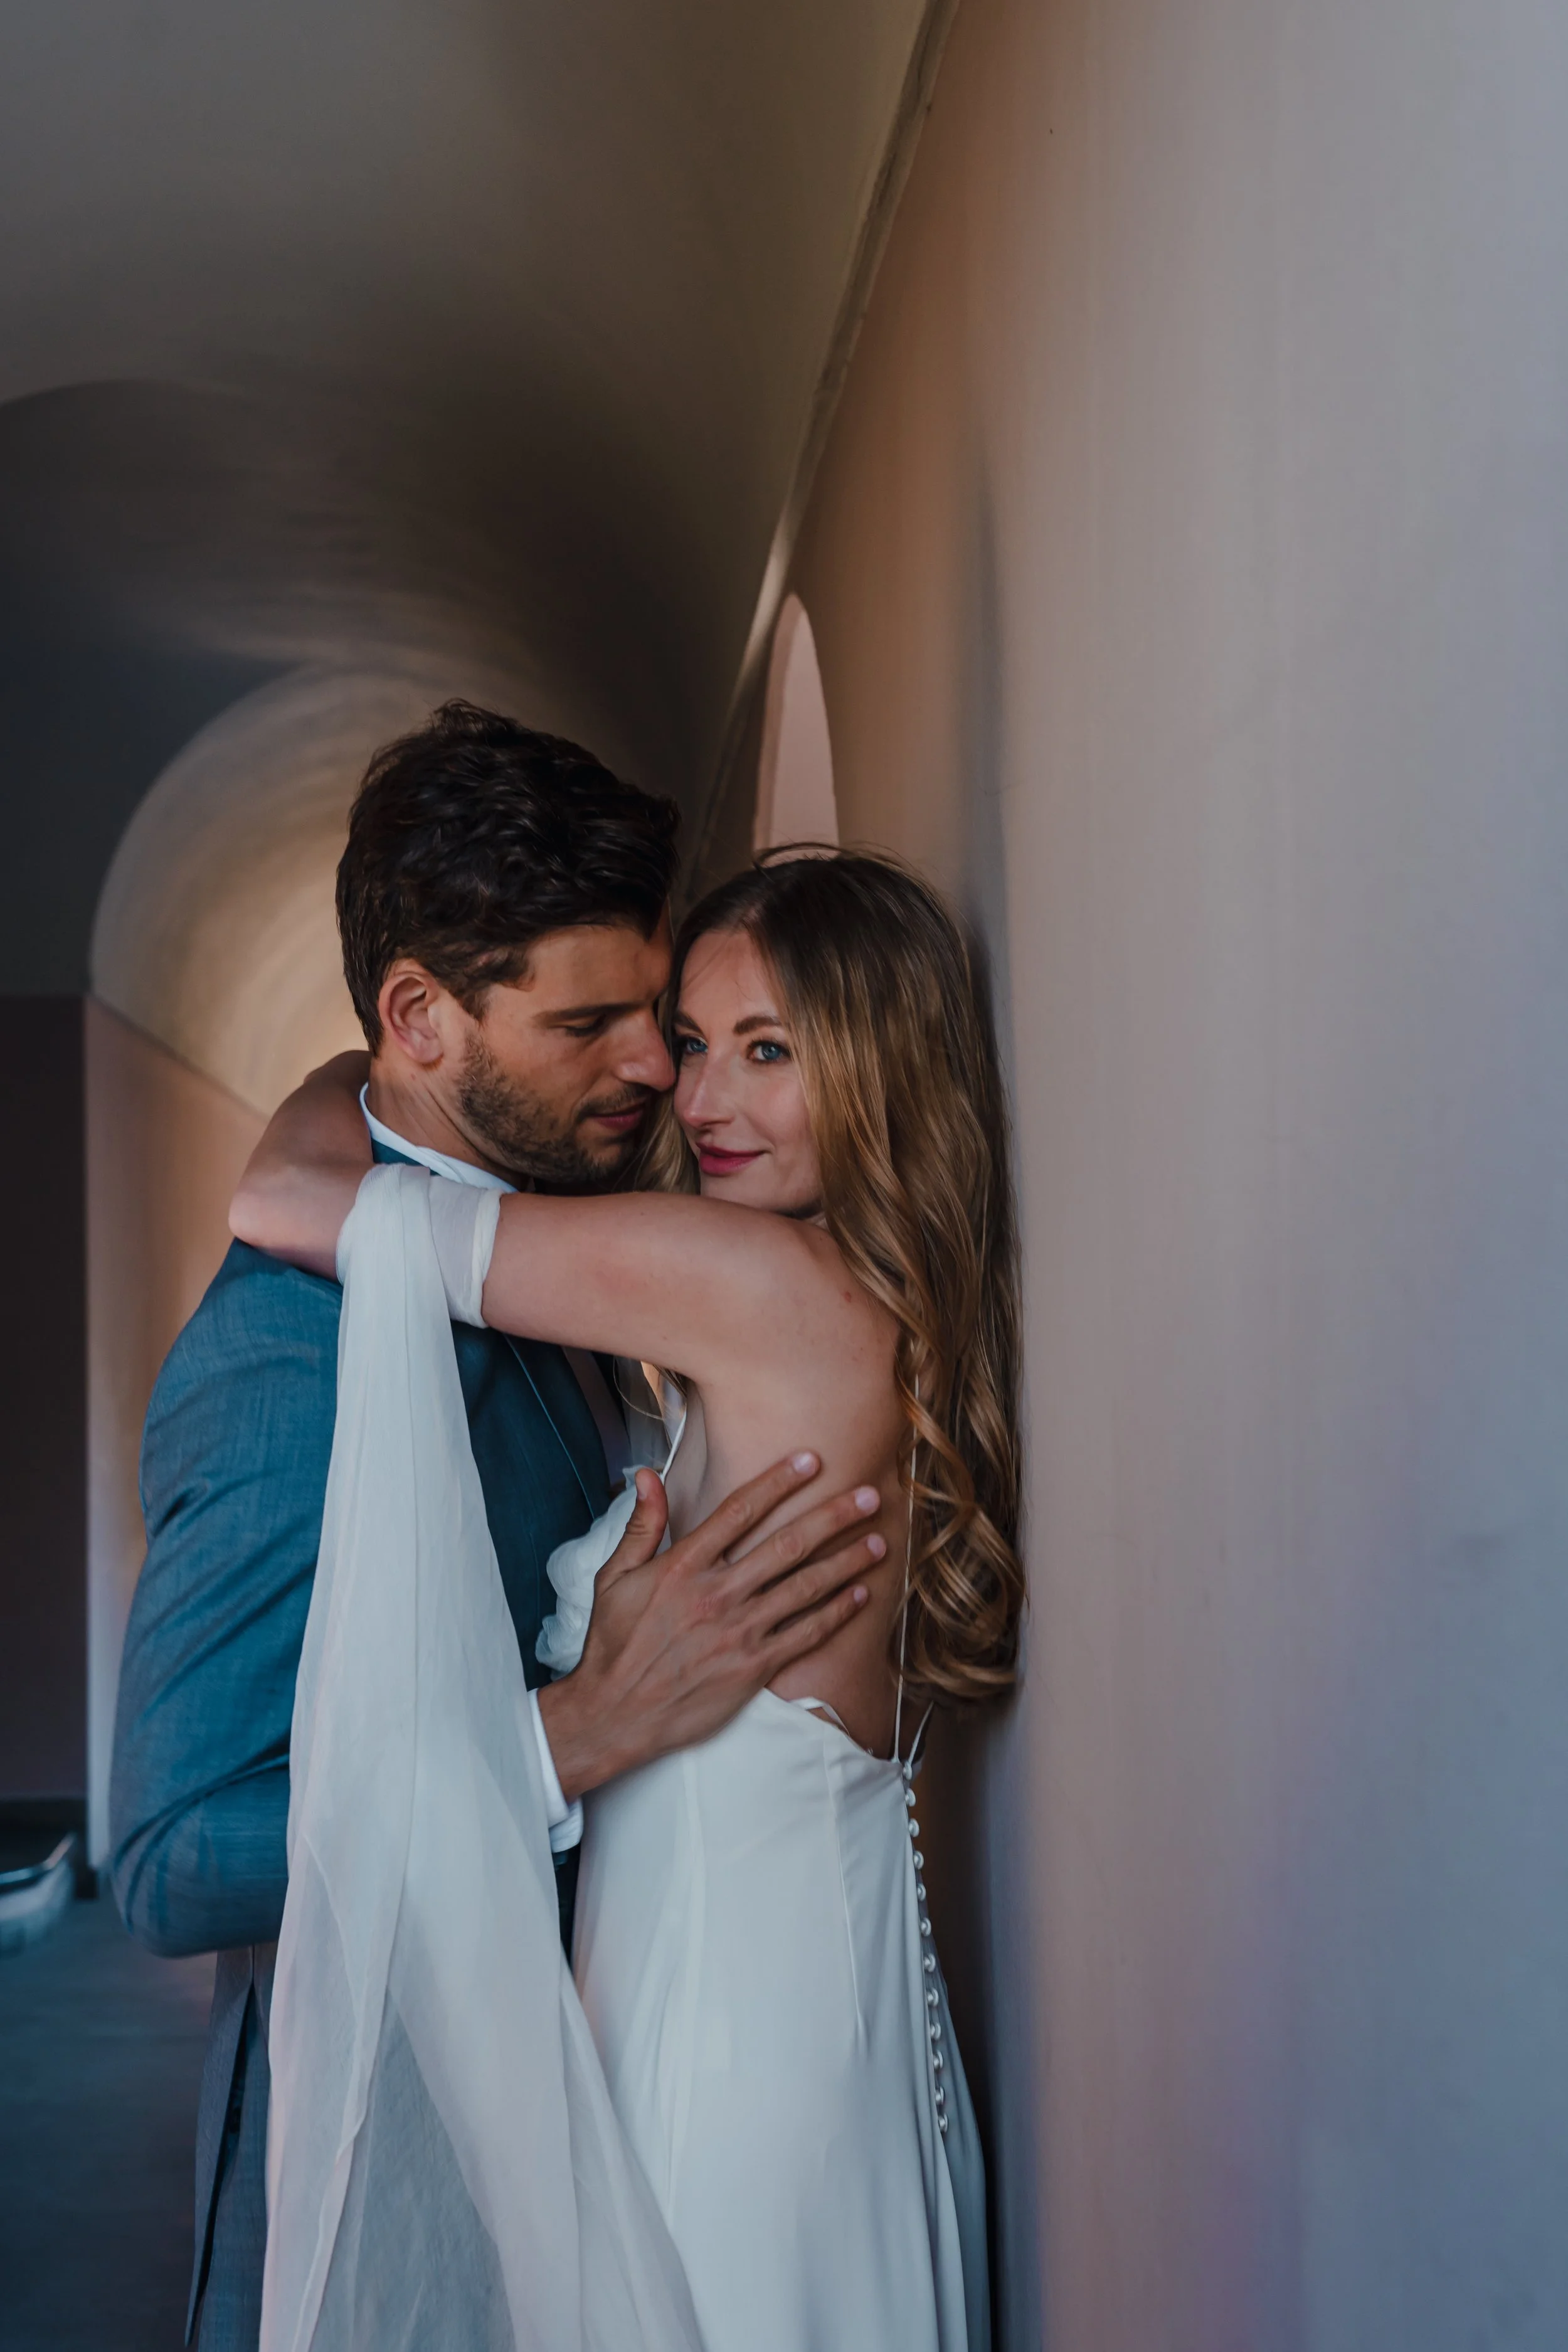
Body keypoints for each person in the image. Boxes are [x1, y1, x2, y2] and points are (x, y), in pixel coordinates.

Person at [108, 704, 886, 2352]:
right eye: (590, 1022)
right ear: (422, 1017)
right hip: (396, 2189)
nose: (648, 1068)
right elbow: (172, 1858)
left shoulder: (542, 1217)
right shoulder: (281, 1358)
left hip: (602, 2103)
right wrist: (564, 1735)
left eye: (659, 1016)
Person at [233, 846, 1025, 2352]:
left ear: (875, 1063)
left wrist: (360, 1056)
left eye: (768, 1051)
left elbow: (293, 1198)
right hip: (827, 2018)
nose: (702, 1099)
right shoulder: (861, 1300)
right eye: (693, 1043)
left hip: (721, 2046)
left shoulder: (760, 1287)